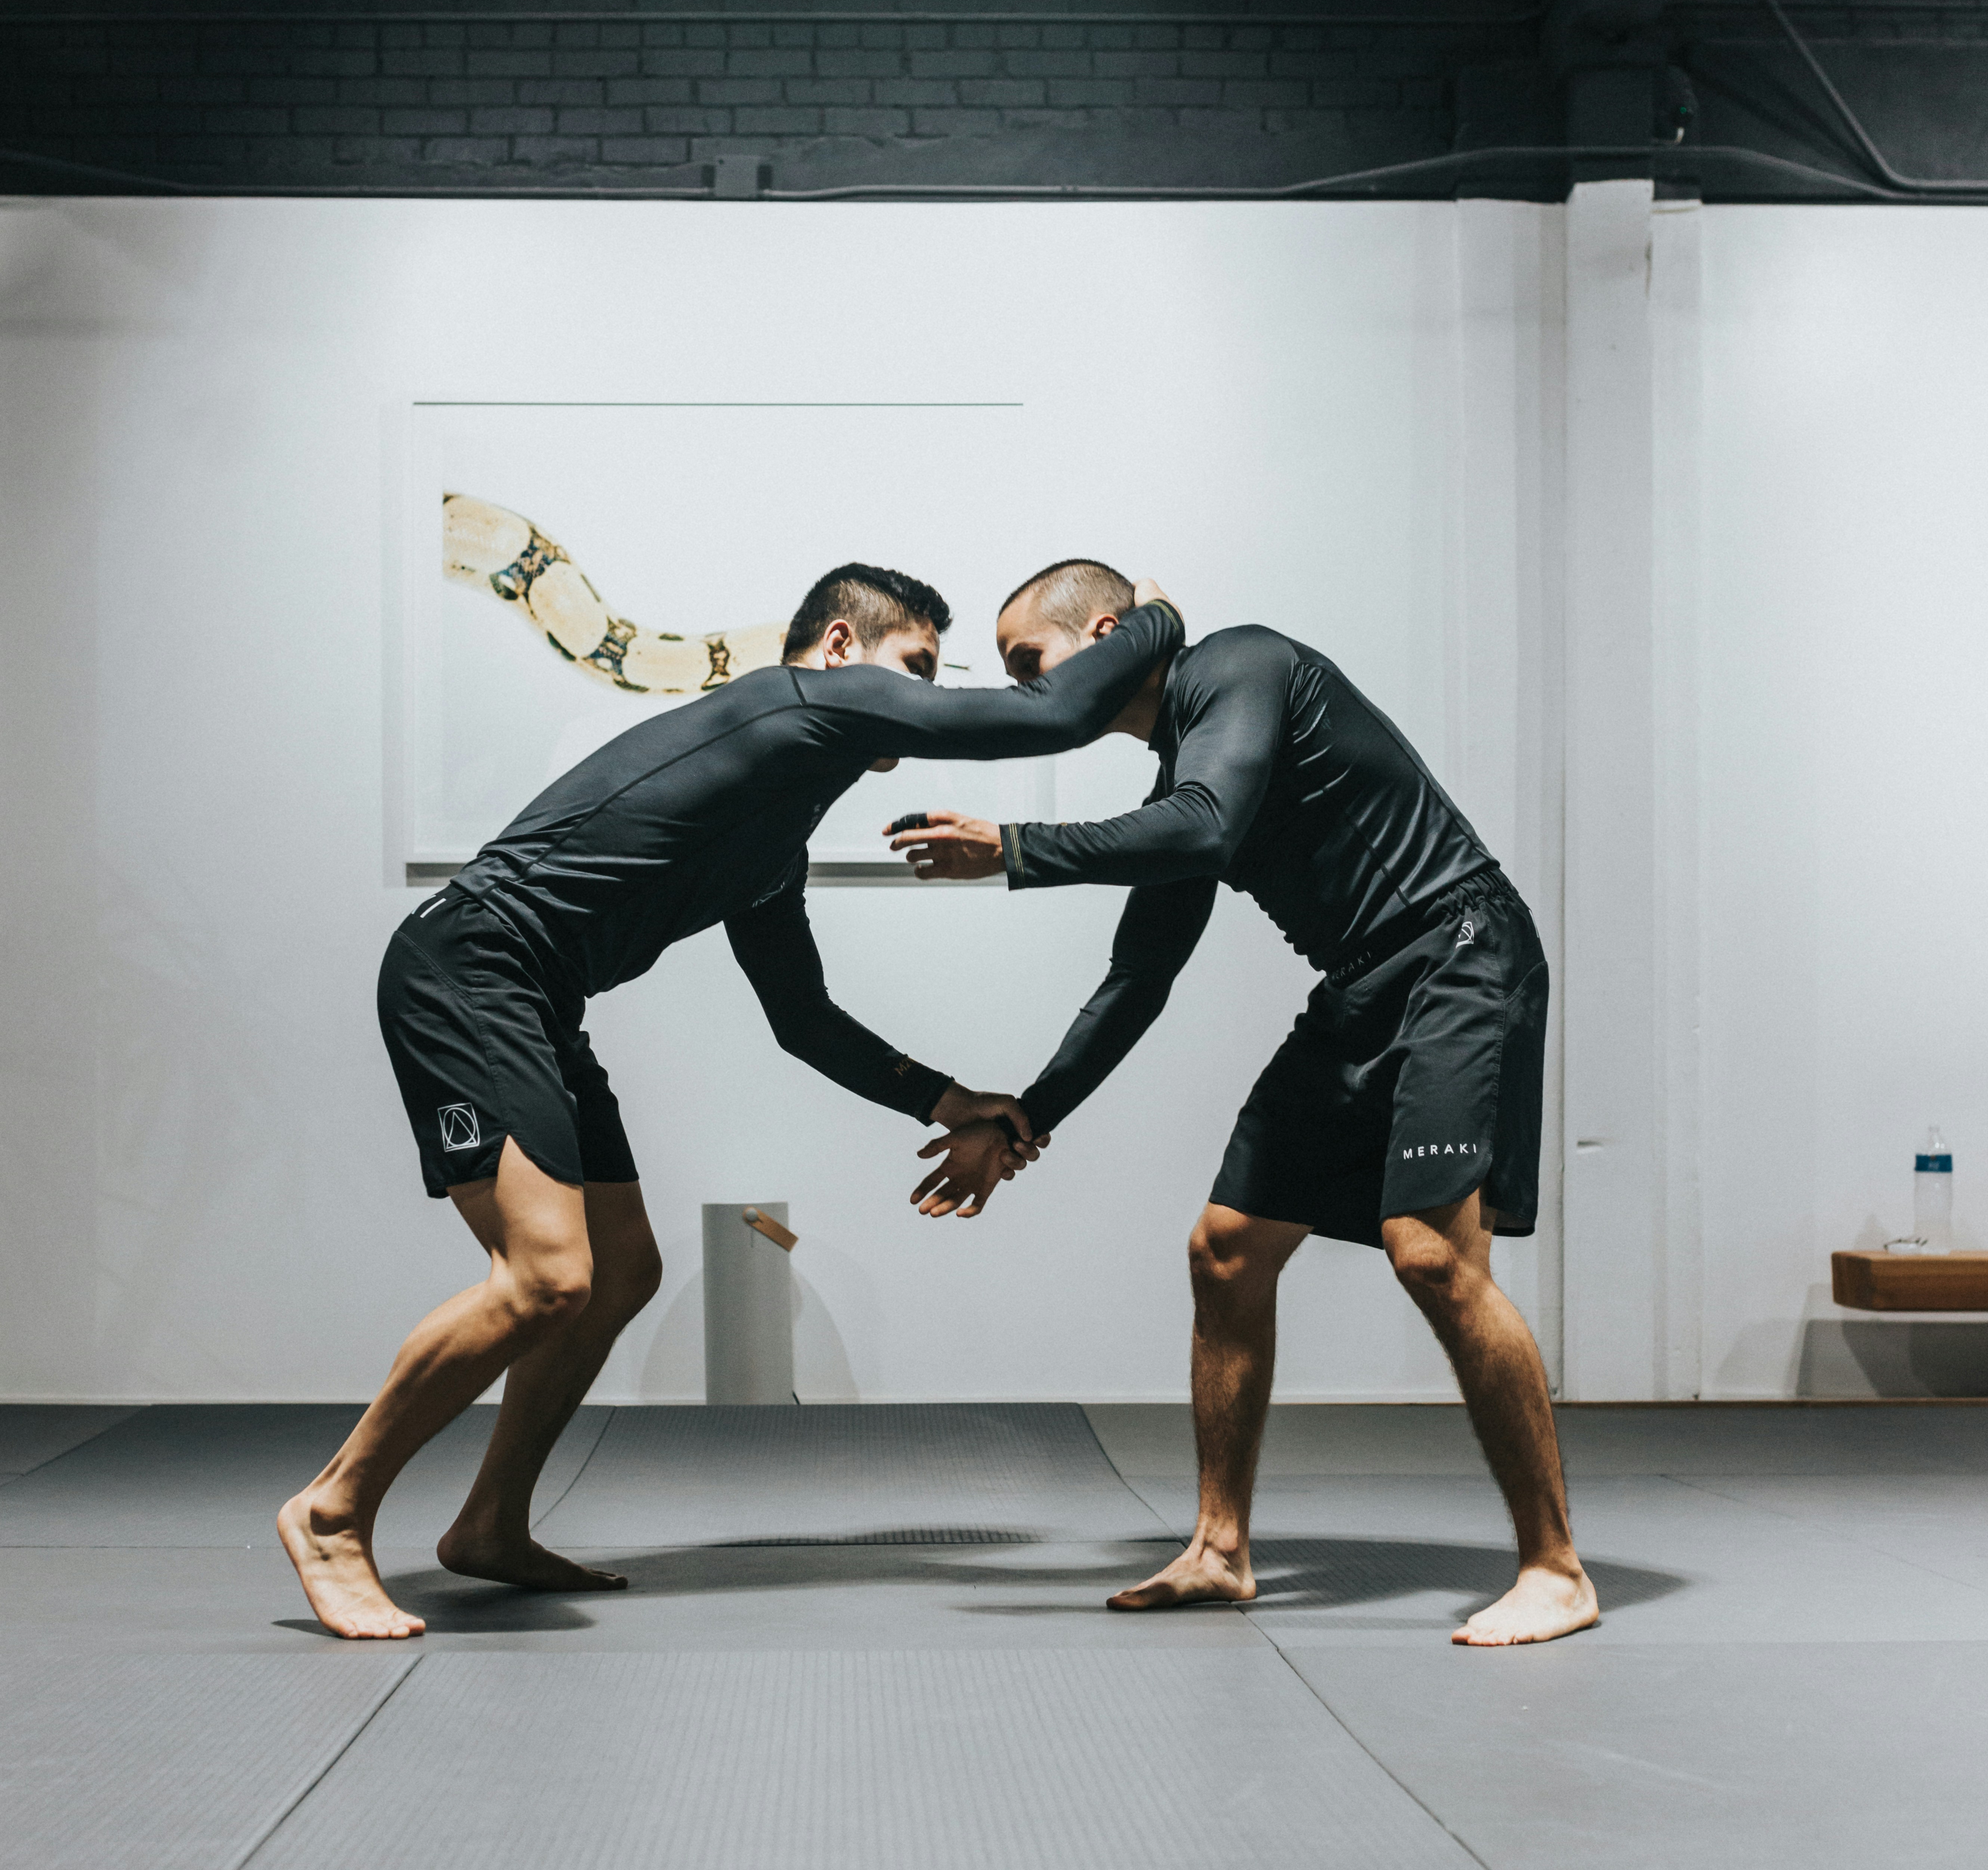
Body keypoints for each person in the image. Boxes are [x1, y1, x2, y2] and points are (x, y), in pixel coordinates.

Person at [279, 563, 1183, 1640]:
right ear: (841, 647)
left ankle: (488, 1524)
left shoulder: (770, 836)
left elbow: (803, 1019)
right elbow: (1052, 712)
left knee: (619, 1273)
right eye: (919, 669)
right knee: (545, 1277)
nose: (928, 697)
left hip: (537, 997)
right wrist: (1162, 618)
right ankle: (332, 1510)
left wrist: (948, 1100)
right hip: (469, 966)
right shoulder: (798, 701)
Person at [894, 559, 1596, 1649]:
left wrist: (1015, 850)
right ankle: (1219, 1552)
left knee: (1431, 1254)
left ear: (1110, 632)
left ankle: (1555, 1569)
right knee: (1225, 1248)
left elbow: (1207, 829)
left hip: (1457, 947)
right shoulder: (1186, 771)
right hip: (1363, 982)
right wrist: (1023, 1117)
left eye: (1032, 662)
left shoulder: (1240, 665)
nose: (1031, 690)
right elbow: (1139, 978)